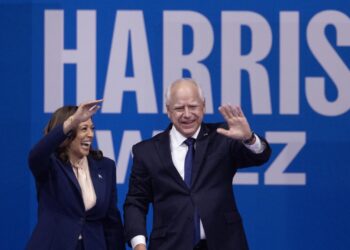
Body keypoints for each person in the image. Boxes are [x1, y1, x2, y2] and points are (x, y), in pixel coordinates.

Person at [124, 79, 272, 250]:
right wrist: (139, 245)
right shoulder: (146, 151)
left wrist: (249, 138)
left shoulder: (224, 137)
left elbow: (260, 157)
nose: (187, 114)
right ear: (168, 111)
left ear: (203, 106)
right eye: (179, 108)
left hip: (225, 243)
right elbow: (136, 202)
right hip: (170, 245)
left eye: (193, 107)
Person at [27, 100, 125, 250]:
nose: (90, 135)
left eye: (92, 128)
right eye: (84, 129)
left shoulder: (105, 167)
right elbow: (36, 155)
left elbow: (111, 223)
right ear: (68, 134)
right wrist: (71, 121)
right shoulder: (50, 165)